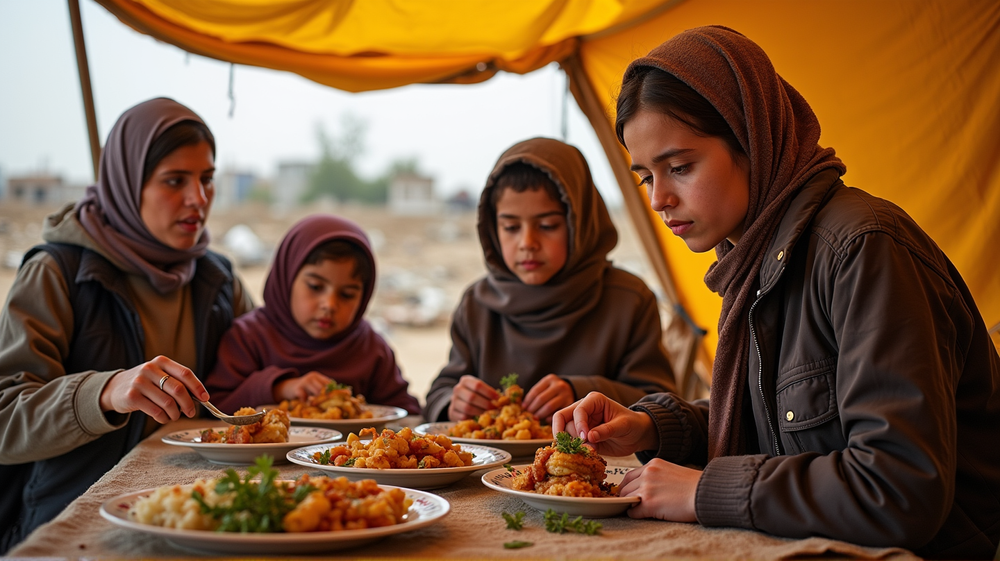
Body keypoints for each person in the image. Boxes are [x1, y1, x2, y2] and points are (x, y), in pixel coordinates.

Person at [552, 26, 1000, 560]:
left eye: (681, 167)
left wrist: (702, 490)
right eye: (646, 177)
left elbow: (899, 488)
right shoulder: (754, 261)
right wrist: (650, 425)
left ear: (753, 139)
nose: (659, 199)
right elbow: (779, 429)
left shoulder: (863, 249)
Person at [0, 97, 254, 550]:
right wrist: (103, 392)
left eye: (207, 179)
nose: (198, 199)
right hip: (75, 525)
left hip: (195, 519)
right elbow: (5, 418)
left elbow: (262, 361)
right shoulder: (58, 273)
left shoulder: (217, 279)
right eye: (175, 180)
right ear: (126, 183)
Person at [424, 137, 676, 424]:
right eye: (510, 227)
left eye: (547, 226)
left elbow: (661, 405)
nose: (527, 242)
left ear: (579, 223)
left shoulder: (628, 300)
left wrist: (580, 392)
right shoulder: (477, 304)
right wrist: (453, 404)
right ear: (491, 229)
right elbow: (437, 394)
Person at [206, 214, 420, 416]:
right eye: (315, 286)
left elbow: (404, 413)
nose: (329, 304)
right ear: (286, 278)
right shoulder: (248, 338)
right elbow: (215, 407)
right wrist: (279, 388)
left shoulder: (371, 349)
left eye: (347, 294)